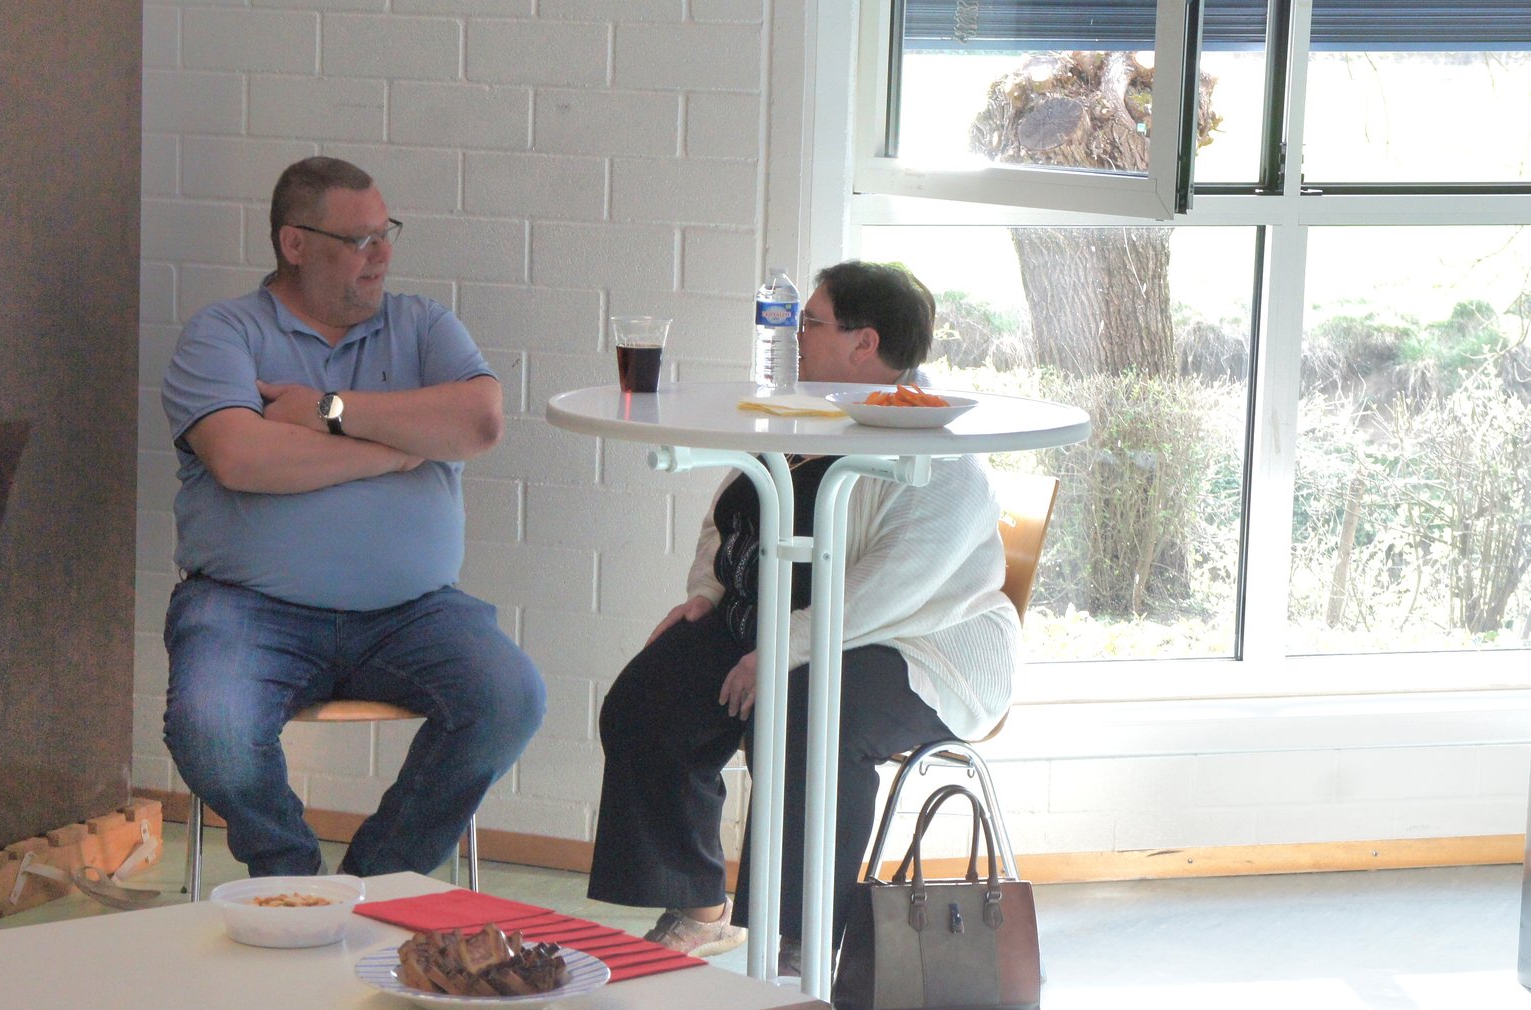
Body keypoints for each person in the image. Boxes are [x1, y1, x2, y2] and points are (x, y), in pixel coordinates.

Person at [586, 261, 1017, 967]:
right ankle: (699, 907)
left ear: (864, 344)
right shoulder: (804, 418)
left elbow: (892, 590)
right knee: (647, 700)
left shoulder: (945, 462)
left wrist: (783, 648)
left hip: (918, 646)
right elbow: (734, 512)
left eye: (811, 323)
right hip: (773, 625)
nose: (793, 336)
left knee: (805, 717)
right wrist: (705, 594)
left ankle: (794, 939)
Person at [161, 156, 546, 878]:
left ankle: (375, 885)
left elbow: (479, 423)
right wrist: (394, 451)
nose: (382, 255)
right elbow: (241, 457)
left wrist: (326, 411)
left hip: (414, 612)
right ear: (295, 244)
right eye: (359, 240)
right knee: (212, 729)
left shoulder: (423, 325)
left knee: (508, 699)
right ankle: (290, 878)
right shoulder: (224, 333)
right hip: (247, 608)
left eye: (385, 233)